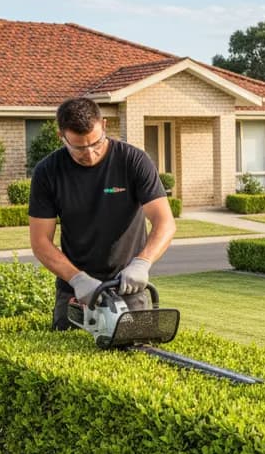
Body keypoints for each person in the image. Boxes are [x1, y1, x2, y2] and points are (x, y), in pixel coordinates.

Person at [28, 97, 176, 330]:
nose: (90, 153)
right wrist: (77, 279)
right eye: (78, 147)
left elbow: (164, 222)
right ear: (61, 137)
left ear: (104, 126)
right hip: (76, 293)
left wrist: (142, 263)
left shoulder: (133, 161)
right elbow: (40, 242)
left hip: (129, 288)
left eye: (96, 143)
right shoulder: (48, 172)